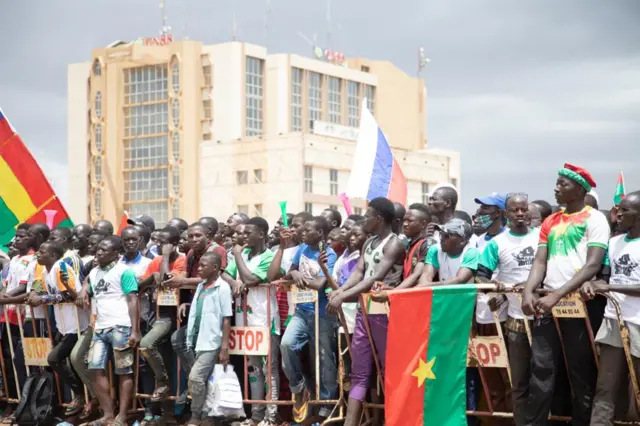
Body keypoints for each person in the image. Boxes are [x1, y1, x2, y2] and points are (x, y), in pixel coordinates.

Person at [521, 163, 610, 426]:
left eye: (563, 184)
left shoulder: (595, 218)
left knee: (581, 372)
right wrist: (528, 292)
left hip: (580, 304)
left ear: (580, 189)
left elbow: (593, 264)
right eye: (557, 183)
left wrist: (557, 295)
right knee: (541, 370)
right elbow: (540, 262)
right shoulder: (551, 220)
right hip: (549, 303)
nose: (556, 188)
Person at [326, 197, 405, 426]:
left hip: (385, 312)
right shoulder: (369, 241)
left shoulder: (394, 243)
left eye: (368, 216)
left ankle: (395, 420)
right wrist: (340, 290)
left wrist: (343, 297)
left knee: (389, 371)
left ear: (379, 219)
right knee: (359, 372)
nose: (365, 220)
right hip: (365, 311)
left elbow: (375, 277)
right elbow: (359, 272)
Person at [477, 194, 539, 425]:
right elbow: (481, 276)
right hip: (515, 323)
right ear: (507, 214)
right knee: (519, 382)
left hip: (545, 320)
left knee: (545, 380)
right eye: (515, 210)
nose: (520, 214)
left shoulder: (542, 238)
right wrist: (499, 290)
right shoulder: (496, 244)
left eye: (524, 209)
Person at [586, 190, 640, 424]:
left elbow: (612, 285)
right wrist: (592, 283)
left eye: (625, 210)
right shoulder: (613, 242)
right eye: (617, 209)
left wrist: (611, 288)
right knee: (605, 388)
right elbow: (605, 278)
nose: (617, 214)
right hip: (612, 322)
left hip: (638, 323)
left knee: (636, 390)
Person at [280, 216, 338, 422]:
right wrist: (295, 275)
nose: (302, 234)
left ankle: (326, 405)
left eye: (308, 230)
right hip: (302, 311)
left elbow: (321, 283)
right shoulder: (302, 249)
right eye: (302, 230)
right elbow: (291, 271)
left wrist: (302, 279)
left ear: (320, 233)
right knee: (287, 344)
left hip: (323, 313)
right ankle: (299, 387)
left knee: (325, 360)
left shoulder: (328, 254)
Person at [223, 217, 280, 425]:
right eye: (242, 233)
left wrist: (237, 255)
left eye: (248, 233)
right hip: (243, 319)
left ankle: (271, 415)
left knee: (269, 369)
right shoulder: (244, 254)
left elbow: (251, 280)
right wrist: (233, 281)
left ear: (261, 234)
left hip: (265, 319)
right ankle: (256, 416)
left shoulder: (268, 256)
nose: (243, 237)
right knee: (253, 368)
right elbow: (225, 274)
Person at [27, 240, 90, 416]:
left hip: (77, 324)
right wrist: (34, 295)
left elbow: (68, 296)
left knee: (54, 358)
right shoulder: (45, 270)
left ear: (53, 255)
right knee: (63, 360)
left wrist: (44, 299)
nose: (38, 254)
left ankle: (80, 393)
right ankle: (81, 396)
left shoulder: (60, 266)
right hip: (64, 325)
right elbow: (37, 288)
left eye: (42, 252)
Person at [86, 236, 141, 426]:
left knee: (124, 371)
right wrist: (84, 288)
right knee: (95, 369)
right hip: (100, 328)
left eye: (104, 250)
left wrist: (135, 330)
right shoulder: (93, 273)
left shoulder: (124, 272)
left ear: (116, 254)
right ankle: (108, 414)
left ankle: (122, 416)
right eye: (98, 248)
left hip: (121, 327)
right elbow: (90, 289)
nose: (99, 252)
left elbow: (133, 299)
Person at [170, 223, 227, 378]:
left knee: (208, 348)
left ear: (207, 236)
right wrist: (183, 300)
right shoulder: (190, 254)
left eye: (198, 236)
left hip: (214, 304)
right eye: (190, 236)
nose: (194, 239)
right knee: (179, 339)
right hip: (197, 303)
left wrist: (182, 282)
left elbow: (214, 278)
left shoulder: (217, 250)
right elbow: (188, 278)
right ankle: (195, 379)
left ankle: (198, 380)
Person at [138, 227, 186, 403]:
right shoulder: (155, 261)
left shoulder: (181, 260)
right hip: (154, 312)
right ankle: (165, 411)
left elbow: (167, 279)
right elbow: (140, 285)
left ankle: (163, 382)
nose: (159, 245)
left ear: (174, 245)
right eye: (157, 242)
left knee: (147, 344)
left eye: (164, 243)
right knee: (161, 358)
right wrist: (152, 277)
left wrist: (165, 259)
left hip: (170, 315)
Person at [185, 252, 232, 426]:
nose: (199, 268)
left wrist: (224, 347)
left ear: (214, 268)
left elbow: (227, 318)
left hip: (211, 341)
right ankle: (206, 415)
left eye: (203, 265)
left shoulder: (223, 287)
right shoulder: (201, 286)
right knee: (204, 380)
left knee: (196, 378)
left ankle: (196, 415)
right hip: (196, 339)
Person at [119, 226, 156, 423]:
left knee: (145, 365)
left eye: (134, 239)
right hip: (121, 319)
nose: (130, 243)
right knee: (124, 366)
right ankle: (126, 407)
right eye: (126, 240)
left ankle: (148, 407)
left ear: (141, 240)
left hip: (144, 318)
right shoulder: (117, 263)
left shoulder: (148, 263)